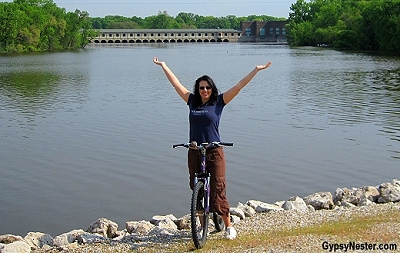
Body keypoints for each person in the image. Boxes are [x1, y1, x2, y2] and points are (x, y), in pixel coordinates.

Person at [153, 57, 272, 240]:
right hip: (194, 150)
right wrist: (164, 66)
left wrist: (256, 70)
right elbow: (176, 85)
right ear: (197, 89)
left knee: (218, 187)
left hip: (214, 150)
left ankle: (228, 226)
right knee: (196, 189)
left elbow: (239, 86)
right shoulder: (191, 101)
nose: (205, 90)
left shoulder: (219, 102)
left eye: (208, 87)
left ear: (212, 88)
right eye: (201, 87)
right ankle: (202, 227)